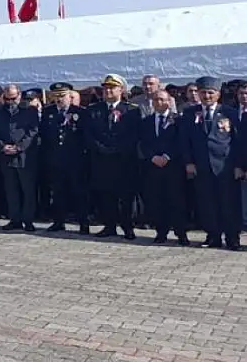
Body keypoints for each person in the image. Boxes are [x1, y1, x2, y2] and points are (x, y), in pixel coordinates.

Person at [179, 77, 243, 250]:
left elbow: (238, 141)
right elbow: (184, 140)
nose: (206, 96)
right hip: (202, 165)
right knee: (207, 203)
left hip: (226, 167)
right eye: (203, 92)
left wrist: (239, 165)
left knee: (229, 203)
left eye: (210, 92)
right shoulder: (190, 113)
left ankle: (232, 237)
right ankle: (212, 236)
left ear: (218, 94)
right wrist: (189, 162)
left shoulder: (229, 112)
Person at [84, 74, 140, 239]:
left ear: (121, 90)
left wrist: (117, 149)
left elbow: (134, 135)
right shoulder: (93, 110)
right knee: (105, 195)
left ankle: (128, 227)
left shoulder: (131, 110)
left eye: (112, 87)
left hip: (123, 161)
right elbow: (89, 134)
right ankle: (109, 226)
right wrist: (101, 149)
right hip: (101, 160)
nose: (108, 91)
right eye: (106, 88)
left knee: (126, 197)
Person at [137, 89, 188, 245]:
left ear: (168, 101)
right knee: (156, 201)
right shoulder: (146, 121)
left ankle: (181, 233)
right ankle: (161, 232)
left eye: (162, 100)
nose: (159, 103)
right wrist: (152, 157)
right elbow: (142, 143)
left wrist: (167, 156)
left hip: (173, 167)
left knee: (177, 201)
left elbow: (182, 142)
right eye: (156, 100)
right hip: (153, 168)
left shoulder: (179, 120)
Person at [40, 83, 90, 234]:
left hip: (75, 160)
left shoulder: (80, 112)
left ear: (70, 96)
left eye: (62, 96)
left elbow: (84, 136)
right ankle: (58, 221)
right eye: (56, 96)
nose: (59, 99)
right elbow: (44, 135)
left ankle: (83, 222)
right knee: (58, 192)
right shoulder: (48, 112)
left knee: (78, 192)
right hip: (55, 160)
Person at [0, 84, 40, 232]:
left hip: (24, 156)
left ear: (19, 96)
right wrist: (2, 146)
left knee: (28, 190)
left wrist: (19, 147)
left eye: (13, 99)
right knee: (11, 190)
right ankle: (15, 219)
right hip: (6, 156)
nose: (10, 102)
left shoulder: (29, 110)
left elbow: (33, 131)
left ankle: (28, 220)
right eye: (7, 99)